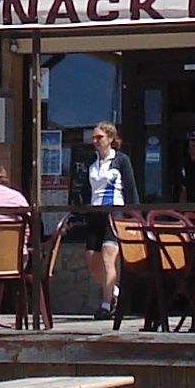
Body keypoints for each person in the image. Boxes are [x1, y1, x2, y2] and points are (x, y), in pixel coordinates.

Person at [64, 123, 140, 317]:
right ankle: (114, 291)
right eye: (94, 138)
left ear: (110, 138)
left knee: (108, 257)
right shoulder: (92, 161)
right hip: (94, 213)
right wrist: (76, 213)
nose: (96, 141)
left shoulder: (121, 160)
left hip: (114, 213)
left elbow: (131, 189)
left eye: (100, 137)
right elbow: (85, 190)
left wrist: (134, 217)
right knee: (92, 259)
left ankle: (106, 305)